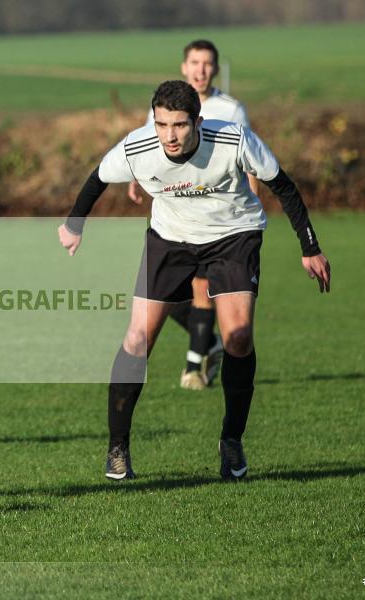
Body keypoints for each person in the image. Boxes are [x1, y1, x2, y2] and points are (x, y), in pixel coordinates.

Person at [58, 80, 330, 482]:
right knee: (137, 340)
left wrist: (310, 246)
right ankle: (118, 448)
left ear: (197, 121)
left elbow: (283, 186)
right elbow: (97, 178)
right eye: (162, 124)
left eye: (180, 125)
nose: (170, 135)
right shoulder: (137, 147)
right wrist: (74, 224)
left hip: (234, 236)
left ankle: (232, 440)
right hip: (170, 239)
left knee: (238, 338)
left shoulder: (234, 140)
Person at [129, 40, 258, 391]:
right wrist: (136, 181)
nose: (200, 69)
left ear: (215, 68)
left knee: (201, 289)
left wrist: (248, 212)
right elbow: (147, 150)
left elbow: (249, 161)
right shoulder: (168, 106)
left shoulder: (231, 109)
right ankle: (208, 349)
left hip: (220, 219)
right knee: (162, 296)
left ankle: (194, 367)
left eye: (207, 63)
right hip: (175, 218)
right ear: (184, 67)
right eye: (194, 62)